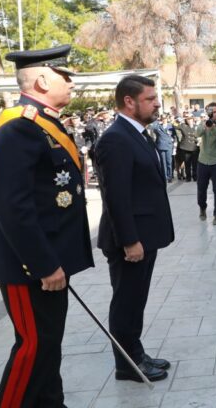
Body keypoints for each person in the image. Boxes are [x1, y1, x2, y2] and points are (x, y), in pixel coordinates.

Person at [0, 44, 94, 406]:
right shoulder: (17, 128)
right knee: (33, 346)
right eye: (66, 76)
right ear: (44, 80)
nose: (72, 83)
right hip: (29, 266)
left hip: (50, 260)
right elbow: (13, 208)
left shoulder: (44, 123)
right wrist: (43, 264)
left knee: (48, 345)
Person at [95, 75, 175, 382]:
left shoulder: (138, 134)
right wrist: (129, 240)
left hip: (144, 235)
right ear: (129, 102)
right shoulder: (116, 138)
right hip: (130, 240)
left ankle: (135, 351)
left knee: (135, 298)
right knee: (126, 300)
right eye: (150, 98)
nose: (156, 103)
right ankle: (126, 364)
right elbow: (115, 196)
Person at [150, 115, 175, 182]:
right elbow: (152, 127)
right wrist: (157, 121)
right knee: (163, 163)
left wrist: (173, 142)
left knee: (169, 162)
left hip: (168, 146)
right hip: (161, 146)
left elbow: (174, 135)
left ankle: (170, 176)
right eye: (163, 119)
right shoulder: (158, 126)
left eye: (165, 118)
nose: (164, 120)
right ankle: (165, 176)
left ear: (167, 119)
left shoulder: (171, 126)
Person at [176, 115, 199, 181]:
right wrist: (180, 120)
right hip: (186, 147)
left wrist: (198, 140)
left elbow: (200, 135)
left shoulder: (196, 127)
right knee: (187, 163)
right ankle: (188, 177)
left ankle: (195, 177)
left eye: (191, 120)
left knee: (195, 164)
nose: (190, 121)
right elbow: (175, 125)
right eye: (188, 120)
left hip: (194, 147)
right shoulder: (183, 126)